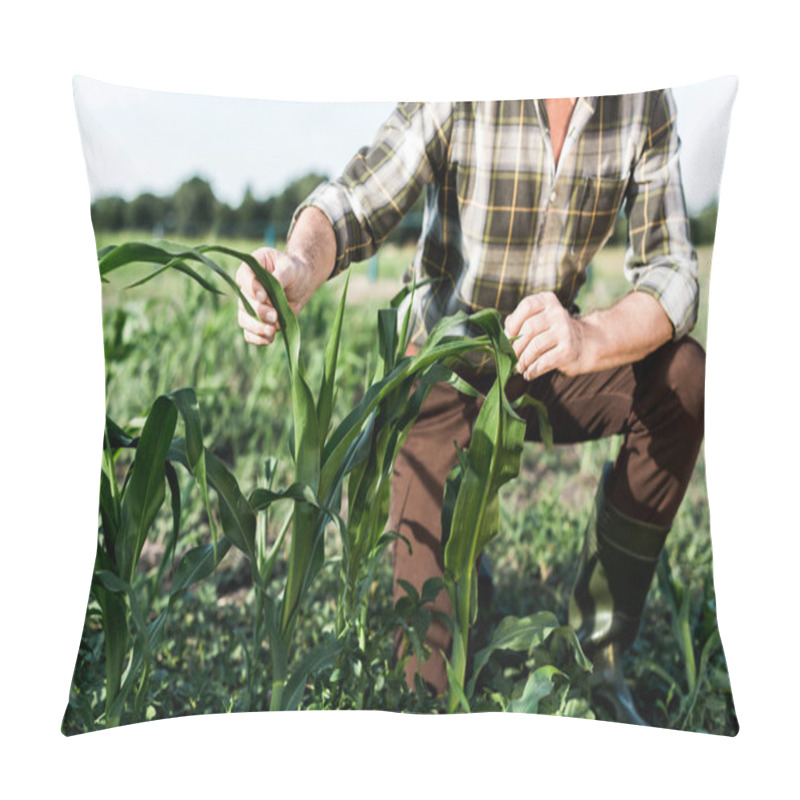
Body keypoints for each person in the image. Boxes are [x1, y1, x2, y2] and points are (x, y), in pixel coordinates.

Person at [235, 94, 704, 724]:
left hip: (546, 357)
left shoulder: (643, 99)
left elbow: (673, 271)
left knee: (684, 379)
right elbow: (354, 202)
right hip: (441, 365)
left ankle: (598, 657)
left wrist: (587, 336)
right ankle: (465, 562)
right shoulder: (465, 77)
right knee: (426, 686)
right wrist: (298, 262)